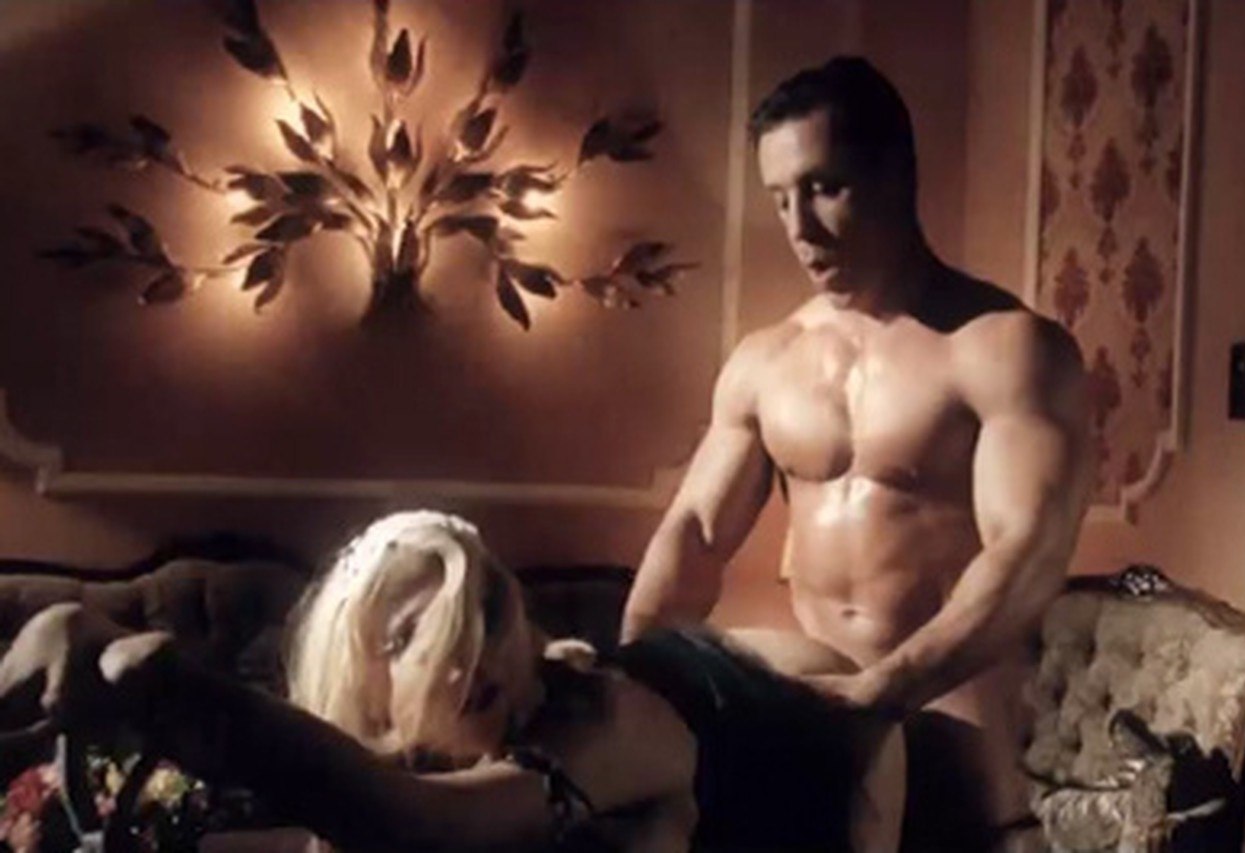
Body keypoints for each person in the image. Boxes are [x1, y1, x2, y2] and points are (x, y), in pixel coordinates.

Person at [622, 56, 1093, 850]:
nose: (798, 226)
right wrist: (627, 672)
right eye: (780, 198)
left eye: (823, 187)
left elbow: (1029, 551)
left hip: (943, 722)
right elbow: (696, 531)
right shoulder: (766, 361)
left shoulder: (1005, 349)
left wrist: (881, 691)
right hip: (812, 720)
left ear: (896, 173)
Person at [0, 511, 905, 851]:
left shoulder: (601, 720)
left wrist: (177, 694)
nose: (463, 657)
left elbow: (422, 822)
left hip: (834, 746)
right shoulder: (424, 748)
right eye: (406, 638)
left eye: (481, 614)